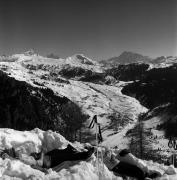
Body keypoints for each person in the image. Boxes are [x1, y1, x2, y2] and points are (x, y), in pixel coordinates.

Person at [0, 144, 95, 173]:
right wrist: (41, 154)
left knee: (60, 151)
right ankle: (84, 155)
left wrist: (39, 153)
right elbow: (39, 165)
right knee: (65, 156)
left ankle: (72, 150)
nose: (11, 149)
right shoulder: (25, 161)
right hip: (49, 161)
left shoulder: (22, 157)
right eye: (9, 151)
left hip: (48, 157)